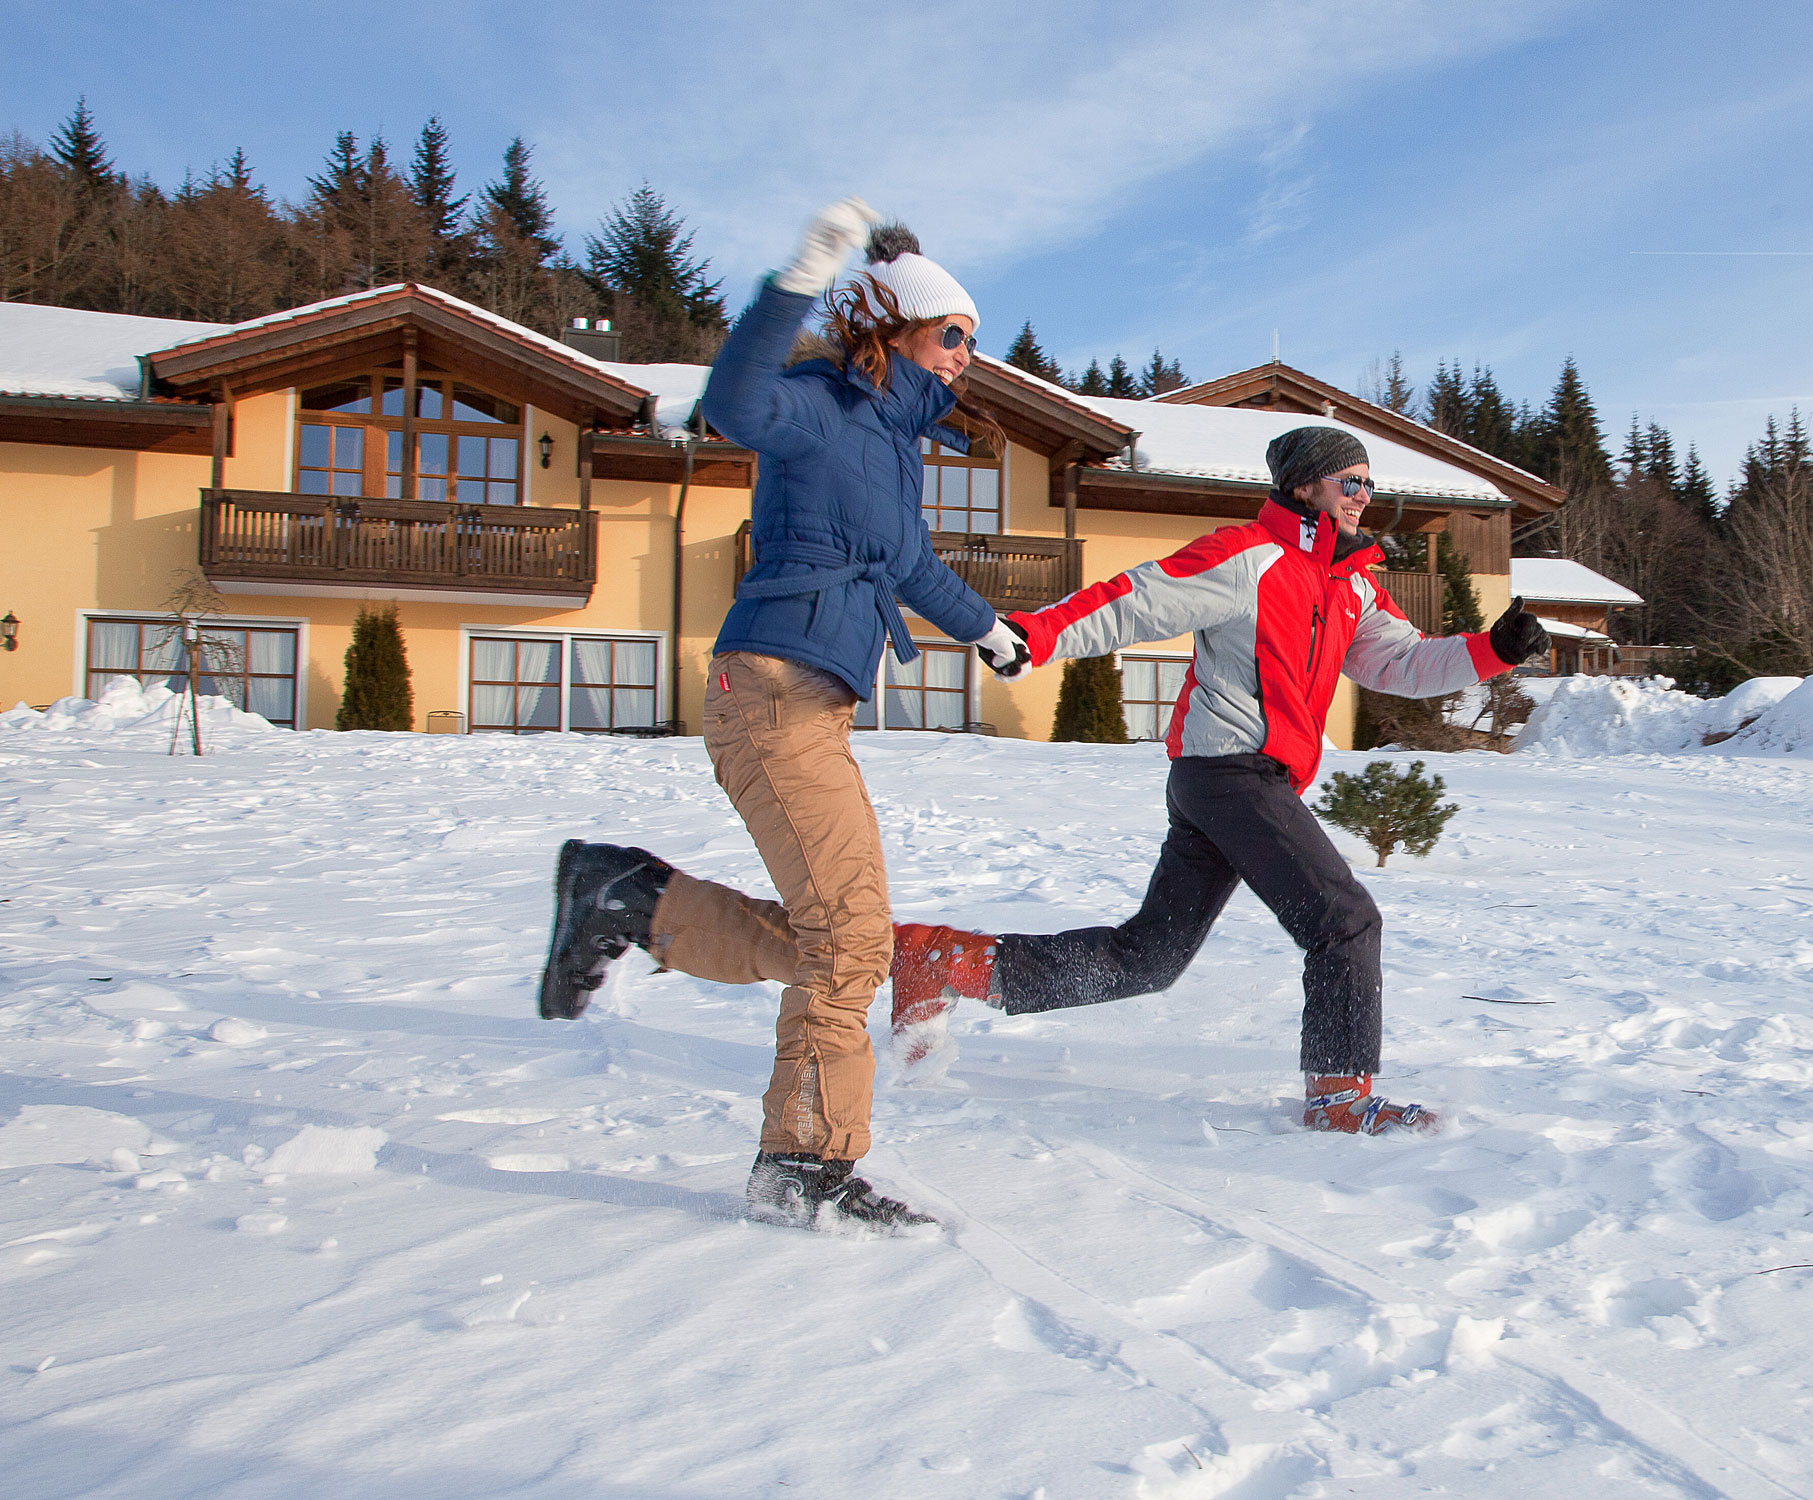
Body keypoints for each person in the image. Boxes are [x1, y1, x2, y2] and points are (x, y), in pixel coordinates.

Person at [534, 199, 1032, 1231]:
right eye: (951, 336)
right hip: (772, 689)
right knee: (851, 943)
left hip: (809, 698)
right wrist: (798, 280)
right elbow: (736, 405)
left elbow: (906, 565)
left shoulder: (896, 448)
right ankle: (801, 1165)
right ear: (890, 329)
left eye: (973, 343)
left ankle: (633, 897)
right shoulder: (816, 405)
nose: (965, 359)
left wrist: (986, 630)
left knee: (833, 943)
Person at [894, 426, 1549, 1133]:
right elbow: (1135, 599)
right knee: (1345, 921)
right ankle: (1339, 1098)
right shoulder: (1248, 557)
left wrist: (1492, 650)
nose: (1365, 496)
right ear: (1306, 486)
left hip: (1240, 782)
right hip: (1229, 772)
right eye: (1350, 482)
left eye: (1368, 483)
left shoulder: (1351, 583)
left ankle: (948, 962)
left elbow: (1404, 665)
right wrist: (1036, 635)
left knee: (1148, 958)